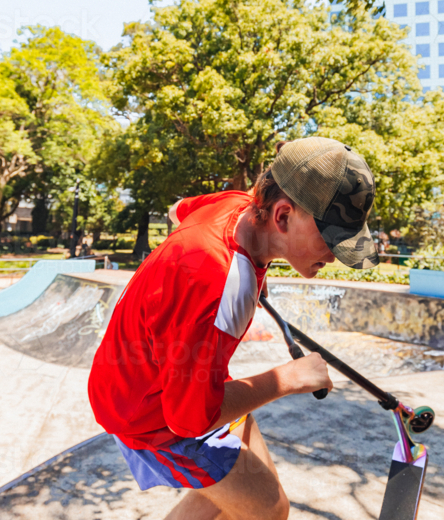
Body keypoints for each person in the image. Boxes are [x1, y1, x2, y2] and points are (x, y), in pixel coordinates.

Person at [88, 137, 380, 520]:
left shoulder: (238, 205)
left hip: (180, 380)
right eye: (332, 240)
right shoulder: (216, 284)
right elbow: (189, 421)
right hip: (146, 412)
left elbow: (181, 210)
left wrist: (252, 269)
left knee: (253, 505)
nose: (336, 256)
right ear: (282, 216)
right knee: (270, 510)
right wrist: (289, 378)